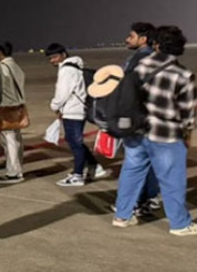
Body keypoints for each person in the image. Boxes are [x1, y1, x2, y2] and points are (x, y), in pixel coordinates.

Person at [113, 26, 197, 235]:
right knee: (172, 179)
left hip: (137, 131)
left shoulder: (138, 67)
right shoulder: (183, 75)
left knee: (131, 172)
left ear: (156, 45)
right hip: (166, 134)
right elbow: (188, 113)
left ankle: (122, 216)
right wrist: (187, 134)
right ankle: (179, 224)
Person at [47, 43, 110, 186]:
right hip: (78, 109)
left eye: (55, 57)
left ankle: (78, 175)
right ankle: (94, 166)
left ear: (63, 54)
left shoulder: (67, 70)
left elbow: (62, 93)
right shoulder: (75, 67)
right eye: (50, 58)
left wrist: (54, 106)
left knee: (75, 143)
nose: (52, 61)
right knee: (75, 141)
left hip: (72, 111)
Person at [121, 22, 162, 215]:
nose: (127, 39)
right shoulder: (157, 57)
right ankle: (151, 197)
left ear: (143, 39)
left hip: (139, 117)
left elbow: (129, 88)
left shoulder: (139, 58)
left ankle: (134, 203)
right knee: (151, 160)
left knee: (135, 162)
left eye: (131, 36)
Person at [0, 42, 27, 184]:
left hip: (6, 108)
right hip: (17, 107)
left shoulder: (1, 68)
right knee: (16, 139)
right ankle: (17, 169)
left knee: (9, 141)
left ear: (0, 52)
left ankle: (14, 173)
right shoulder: (16, 66)